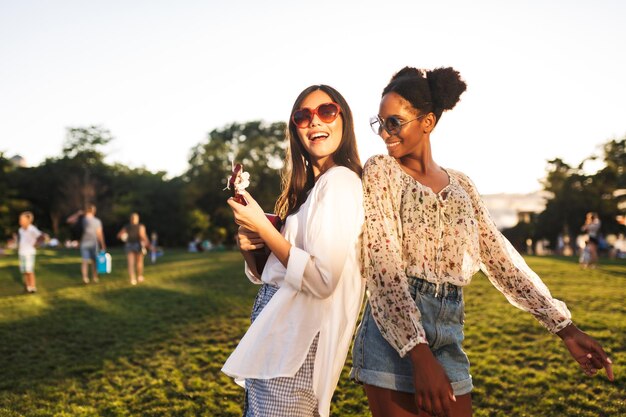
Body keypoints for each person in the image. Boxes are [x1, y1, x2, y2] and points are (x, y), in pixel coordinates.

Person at [350, 67, 614, 417]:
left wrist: (565, 328)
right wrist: (419, 352)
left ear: (427, 122)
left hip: (449, 329)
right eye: (379, 123)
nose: (384, 133)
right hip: (395, 334)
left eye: (394, 122)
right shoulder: (381, 171)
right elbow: (383, 268)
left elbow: (500, 258)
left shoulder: (462, 185)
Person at [221, 85, 365, 417]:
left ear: (344, 120)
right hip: (279, 338)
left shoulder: (340, 182)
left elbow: (322, 279)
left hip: (296, 347)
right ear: (294, 129)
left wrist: (264, 228)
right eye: (303, 116)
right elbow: (270, 273)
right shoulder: (311, 189)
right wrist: (250, 245)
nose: (314, 121)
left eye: (326, 111)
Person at [68, 205, 106, 284]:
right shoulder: (94, 220)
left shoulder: (83, 219)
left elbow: (69, 220)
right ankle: (94, 277)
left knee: (86, 261)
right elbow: (100, 234)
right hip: (93, 243)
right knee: (93, 261)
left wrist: (78, 214)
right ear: (94, 211)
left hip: (86, 243)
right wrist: (103, 244)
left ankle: (86, 278)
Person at [17, 211, 47, 293]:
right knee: (24, 271)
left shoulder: (32, 229)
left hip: (29, 253)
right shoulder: (20, 230)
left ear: (28, 220)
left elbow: (42, 236)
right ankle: (28, 286)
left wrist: (36, 244)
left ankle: (33, 287)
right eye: (20, 219)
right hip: (22, 252)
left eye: (22, 219)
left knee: (29, 270)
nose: (20, 221)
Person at [117, 212, 150, 285]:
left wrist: (124, 238)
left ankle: (133, 279)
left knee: (131, 263)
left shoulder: (127, 227)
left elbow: (119, 235)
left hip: (129, 245)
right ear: (137, 219)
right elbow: (142, 236)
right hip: (138, 245)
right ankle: (139, 276)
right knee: (139, 262)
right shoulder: (140, 226)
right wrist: (148, 243)